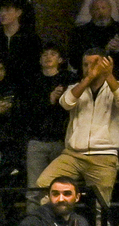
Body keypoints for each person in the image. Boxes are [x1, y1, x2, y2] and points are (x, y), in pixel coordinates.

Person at [37, 51, 119, 207]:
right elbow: (66, 103)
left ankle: (94, 225)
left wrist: (109, 76)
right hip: (73, 154)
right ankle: (57, 221)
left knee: (101, 206)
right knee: (44, 183)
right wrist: (88, 79)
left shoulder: (115, 86)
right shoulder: (75, 88)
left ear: (105, 64)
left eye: (94, 64)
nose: (90, 68)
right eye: (85, 65)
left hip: (103, 156)